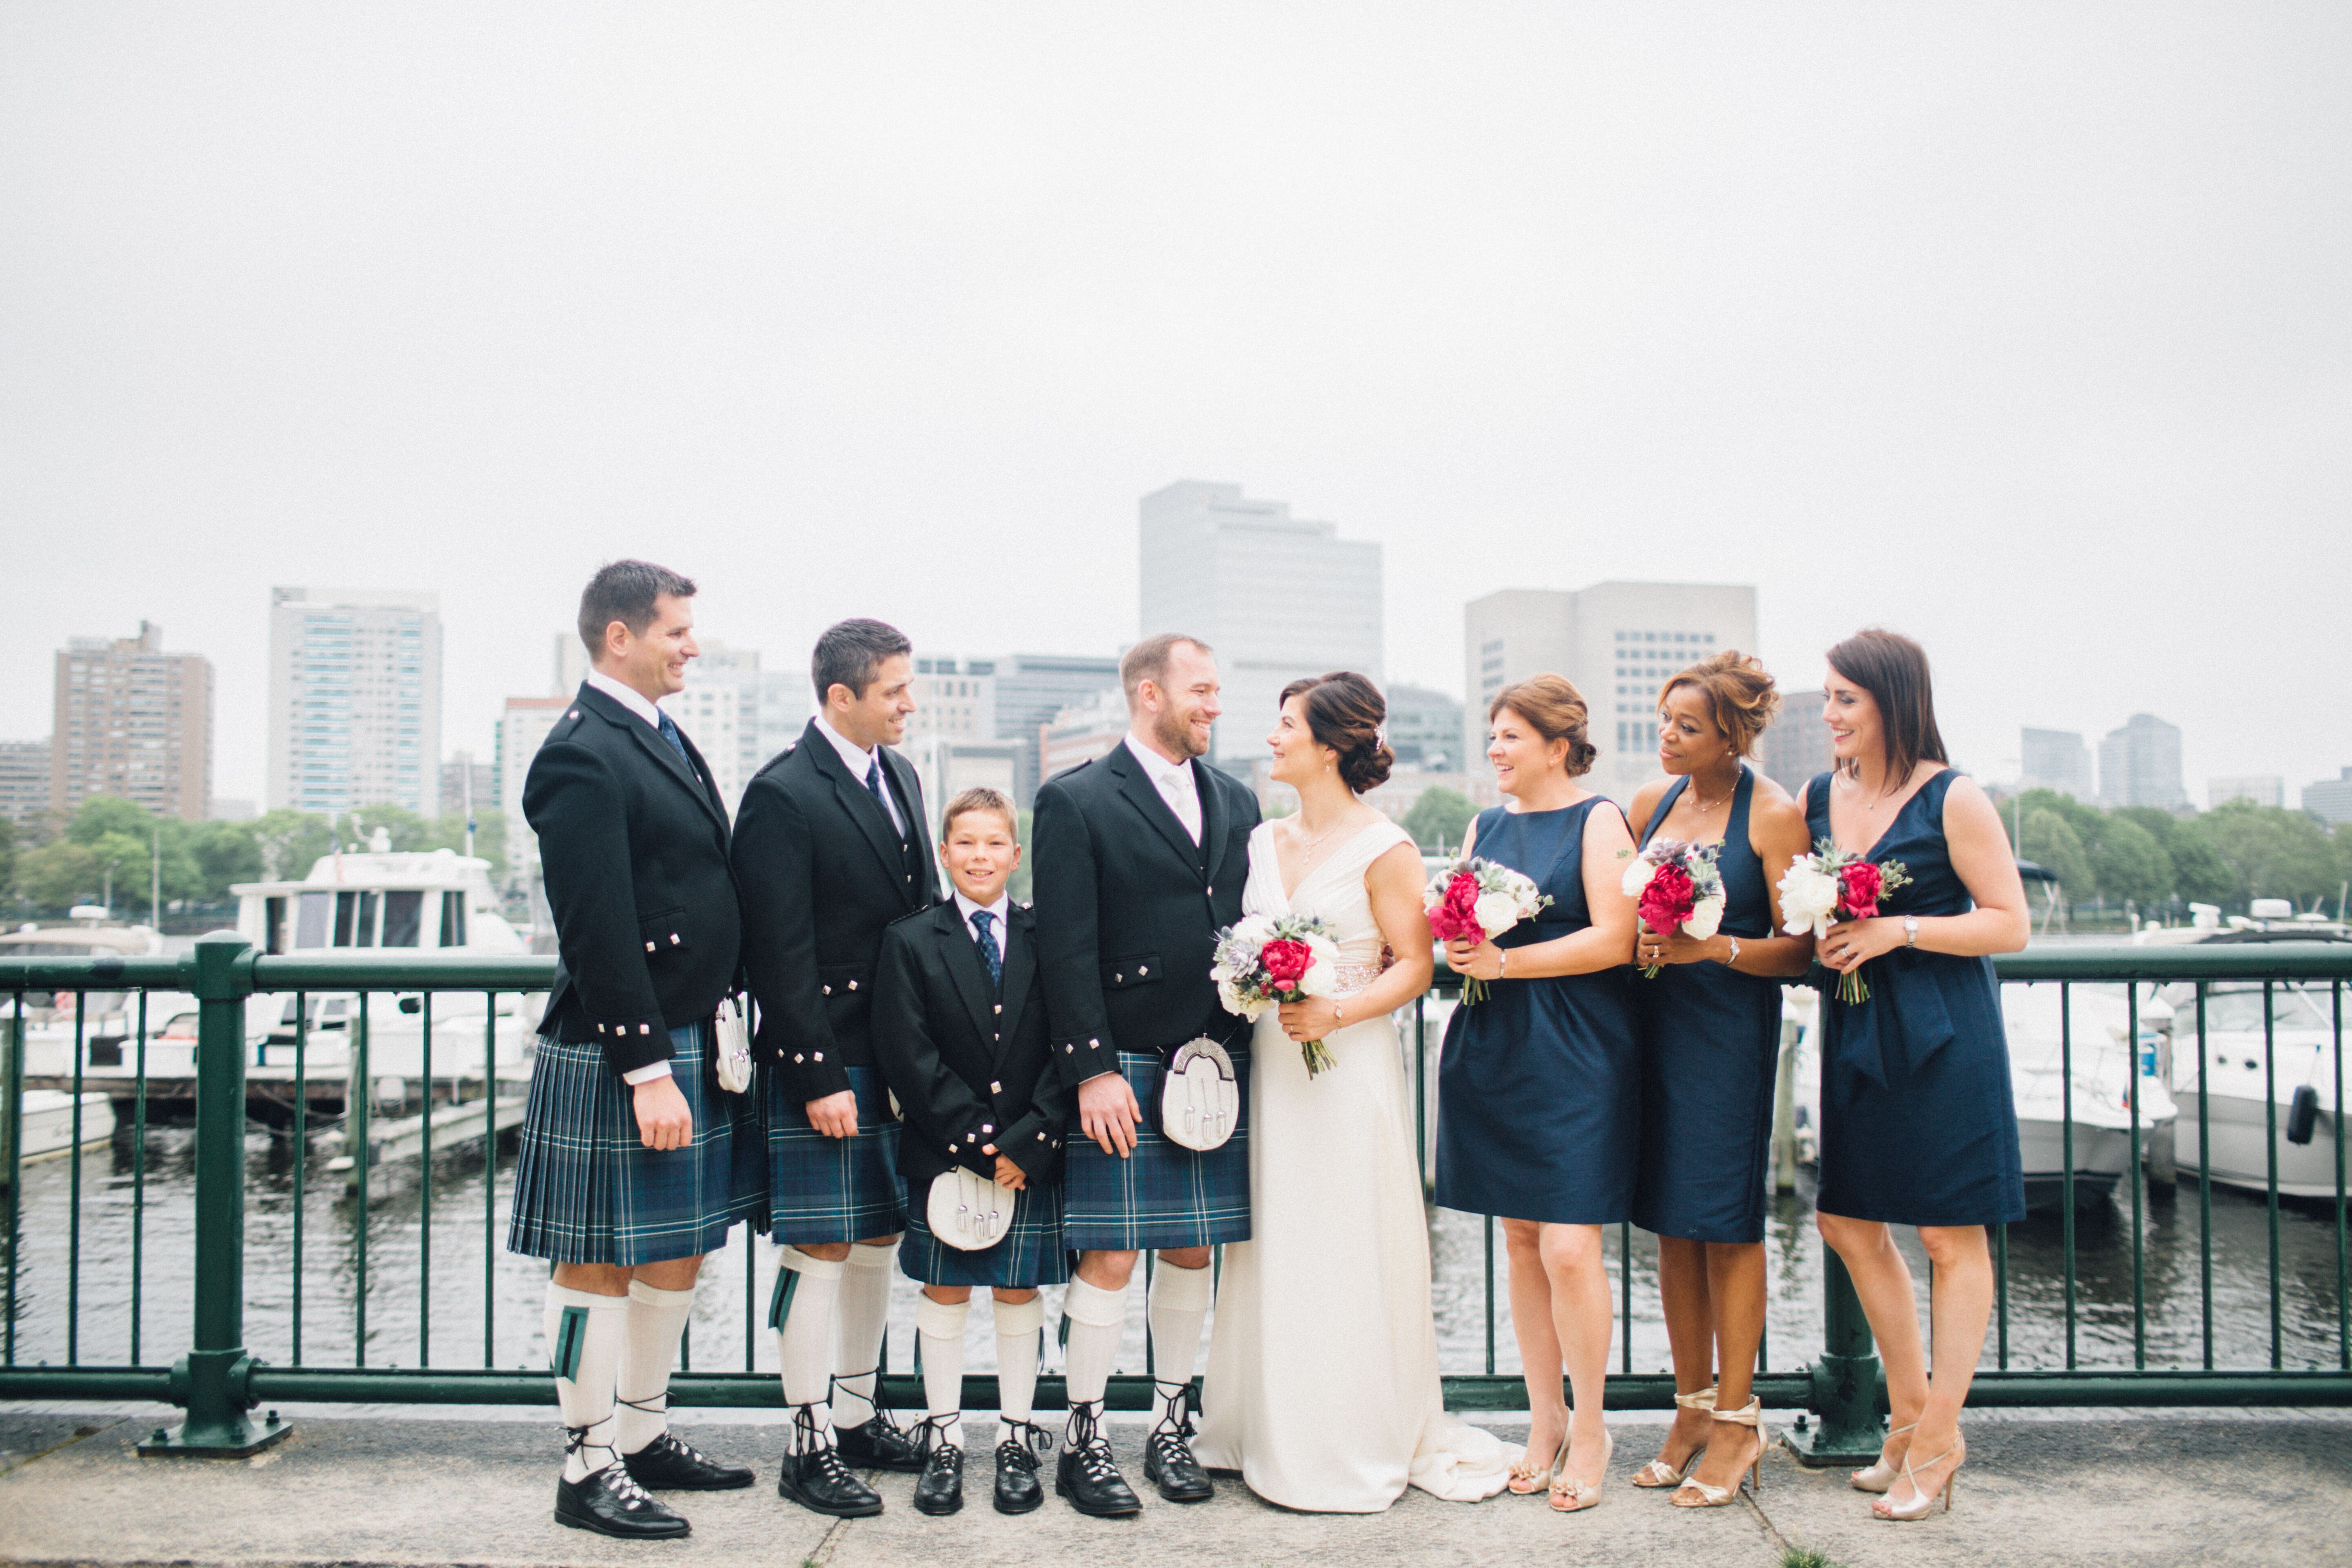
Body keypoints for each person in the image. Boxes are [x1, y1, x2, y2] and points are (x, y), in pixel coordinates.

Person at [1195, 674, 1510, 1511]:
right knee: (1275, 1237)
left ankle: (1344, 1438)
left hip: (1348, 1065)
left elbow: (1414, 964)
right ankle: (1257, 1425)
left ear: (1330, 746)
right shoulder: (1261, 842)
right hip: (1275, 1064)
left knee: (1341, 1238)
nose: (1272, 737)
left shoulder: (1386, 846)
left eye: (1286, 724)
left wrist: (1335, 1010)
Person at [507, 560, 760, 1540]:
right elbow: (598, 929)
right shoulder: (581, 753)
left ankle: (645, 1434)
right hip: (630, 1051)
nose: (691, 645)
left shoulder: (658, 734)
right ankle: (586, 1461)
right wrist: (647, 1069)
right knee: (595, 1264)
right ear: (620, 635)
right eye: (677, 631)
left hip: (697, 1031)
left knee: (678, 1253)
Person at [1029, 632, 1261, 1516]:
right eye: (1200, 689)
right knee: (1112, 1253)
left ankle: (1170, 1425)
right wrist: (1091, 1070)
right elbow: (1065, 947)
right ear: (1149, 694)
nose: (1213, 705)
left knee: (1192, 1247)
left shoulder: (1235, 798)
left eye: (1215, 690)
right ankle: (1084, 1436)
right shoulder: (1076, 799)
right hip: (1123, 1062)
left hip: (1213, 1061)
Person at [1802, 628, 2028, 1521]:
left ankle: (1939, 1437)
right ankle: (1903, 1415)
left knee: (1948, 1237)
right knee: (1845, 1220)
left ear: (1892, 702)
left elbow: (2009, 923)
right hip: (1856, 1026)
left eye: (1844, 699)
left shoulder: (1954, 797)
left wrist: (1901, 930)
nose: (1828, 715)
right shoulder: (1823, 795)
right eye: (1826, 698)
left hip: (1943, 1034)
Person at [734, 619, 935, 1517]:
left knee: (879, 1238)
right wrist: (816, 1074)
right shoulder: (782, 792)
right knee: (817, 1243)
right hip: (827, 1052)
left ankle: (858, 1416)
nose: (909, 703)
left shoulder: (902, 776)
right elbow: (777, 950)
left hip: (895, 1048)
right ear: (840, 696)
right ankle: (806, 1440)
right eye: (894, 690)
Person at [1431, 674, 1639, 1517]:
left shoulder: (1600, 820)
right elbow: (1459, 929)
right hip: (1497, 1042)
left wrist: (1511, 959)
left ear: (1558, 746)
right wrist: (1455, 940)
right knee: (1520, 1238)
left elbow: (1617, 937)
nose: (1496, 749)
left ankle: (1592, 1425)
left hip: (1580, 1045)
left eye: (1511, 736)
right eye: (1493, 735)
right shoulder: (1486, 825)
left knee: (1568, 1246)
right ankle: (1543, 1420)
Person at [1621, 653, 1814, 1507]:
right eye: (1664, 720)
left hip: (1729, 1038)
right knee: (1671, 1224)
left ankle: (1740, 1421)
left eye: (1687, 726)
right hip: (1652, 1033)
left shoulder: (1772, 817)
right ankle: (1691, 1409)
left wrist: (1714, 948)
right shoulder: (1646, 806)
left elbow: (1802, 950)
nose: (1668, 735)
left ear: (1732, 734)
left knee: (1729, 1226)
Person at [870, 788, 1073, 1518]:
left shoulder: (1051, 936)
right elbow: (907, 1056)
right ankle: (946, 1440)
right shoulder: (911, 939)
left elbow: (1071, 1046)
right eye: (966, 843)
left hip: (1033, 1155)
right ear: (944, 852)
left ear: (1016, 856)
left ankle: (1017, 1437)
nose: (980, 856)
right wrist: (983, 1148)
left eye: (995, 844)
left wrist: (1030, 1142)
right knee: (945, 1292)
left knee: (1021, 1292)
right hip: (943, 1155)